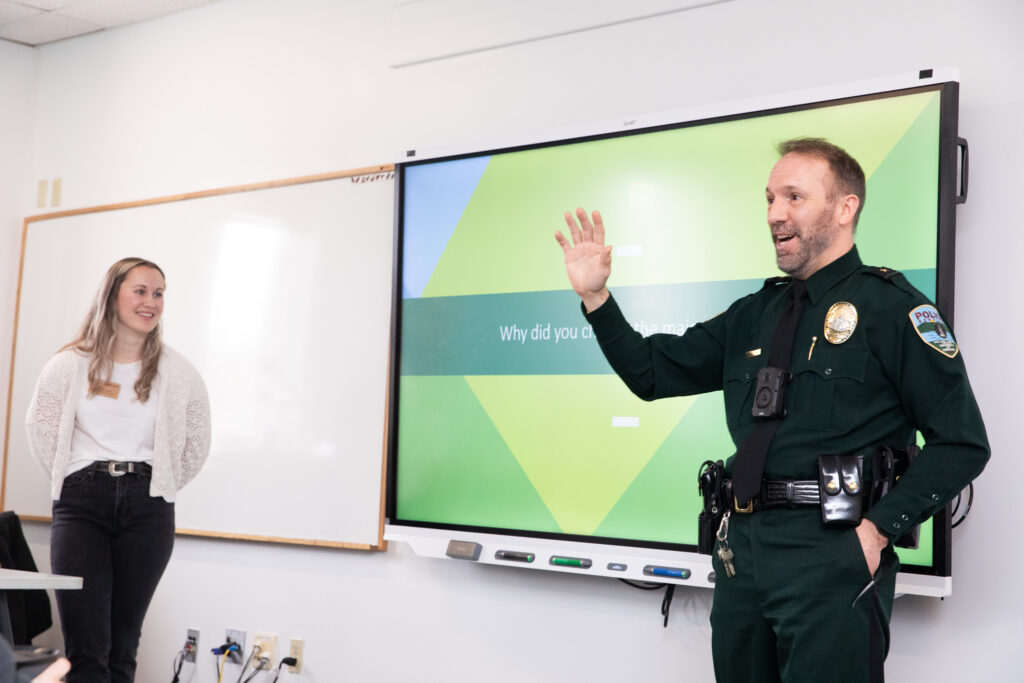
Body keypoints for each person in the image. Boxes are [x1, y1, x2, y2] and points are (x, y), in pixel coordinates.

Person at [554, 138, 989, 682]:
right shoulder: (753, 313)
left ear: (845, 207)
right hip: (743, 552)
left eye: (794, 197)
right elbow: (650, 372)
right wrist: (596, 299)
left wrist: (877, 532)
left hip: (833, 550)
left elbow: (962, 442)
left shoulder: (893, 309)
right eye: (768, 199)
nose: (775, 214)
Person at [25, 258, 211, 683]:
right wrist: (73, 477)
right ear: (113, 295)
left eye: (159, 293)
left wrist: (158, 481)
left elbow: (196, 443)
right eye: (141, 291)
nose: (151, 302)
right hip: (82, 505)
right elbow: (43, 432)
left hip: (149, 509)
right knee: (87, 650)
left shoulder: (178, 371)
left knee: (123, 649)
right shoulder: (69, 364)